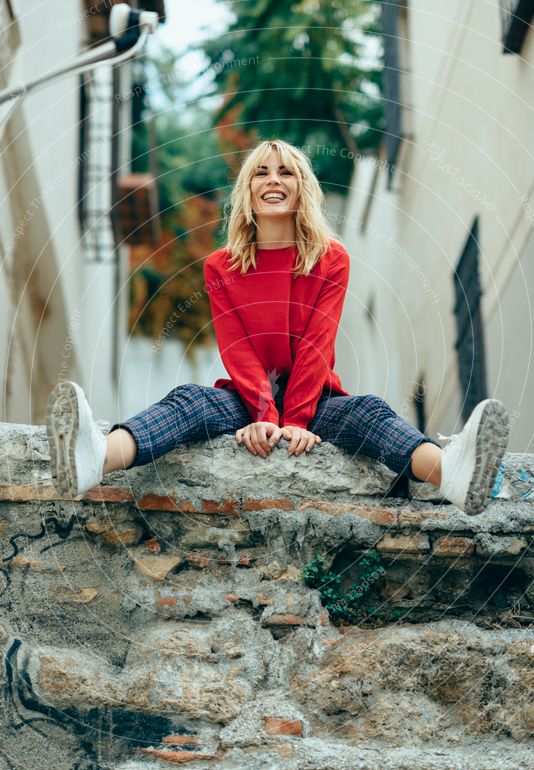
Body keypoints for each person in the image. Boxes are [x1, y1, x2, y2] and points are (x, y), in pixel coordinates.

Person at [46, 139, 509, 516]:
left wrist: (297, 422)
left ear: (301, 188)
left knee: (368, 411)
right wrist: (265, 418)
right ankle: (95, 457)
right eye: (262, 173)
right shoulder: (220, 267)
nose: (273, 180)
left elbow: (316, 345)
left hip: (314, 398)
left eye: (285, 172)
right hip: (245, 398)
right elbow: (238, 348)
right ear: (247, 190)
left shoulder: (331, 258)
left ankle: (452, 475)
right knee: (188, 402)